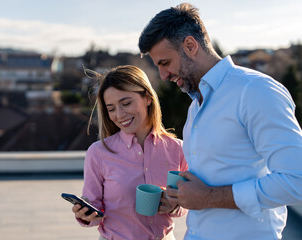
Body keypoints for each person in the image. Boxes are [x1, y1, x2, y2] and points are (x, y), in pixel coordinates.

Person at [138, 3, 302, 240]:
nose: (163, 76)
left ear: (190, 46)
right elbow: (212, 178)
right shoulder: (196, 106)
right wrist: (181, 195)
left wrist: (209, 196)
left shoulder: (256, 91)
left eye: (165, 63)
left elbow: (297, 179)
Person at [71, 65, 188, 240]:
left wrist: (173, 206)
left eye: (126, 103)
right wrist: (86, 215)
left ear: (147, 98)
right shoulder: (98, 153)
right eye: (111, 108)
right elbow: (93, 207)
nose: (119, 114)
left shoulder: (178, 148)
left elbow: (188, 202)